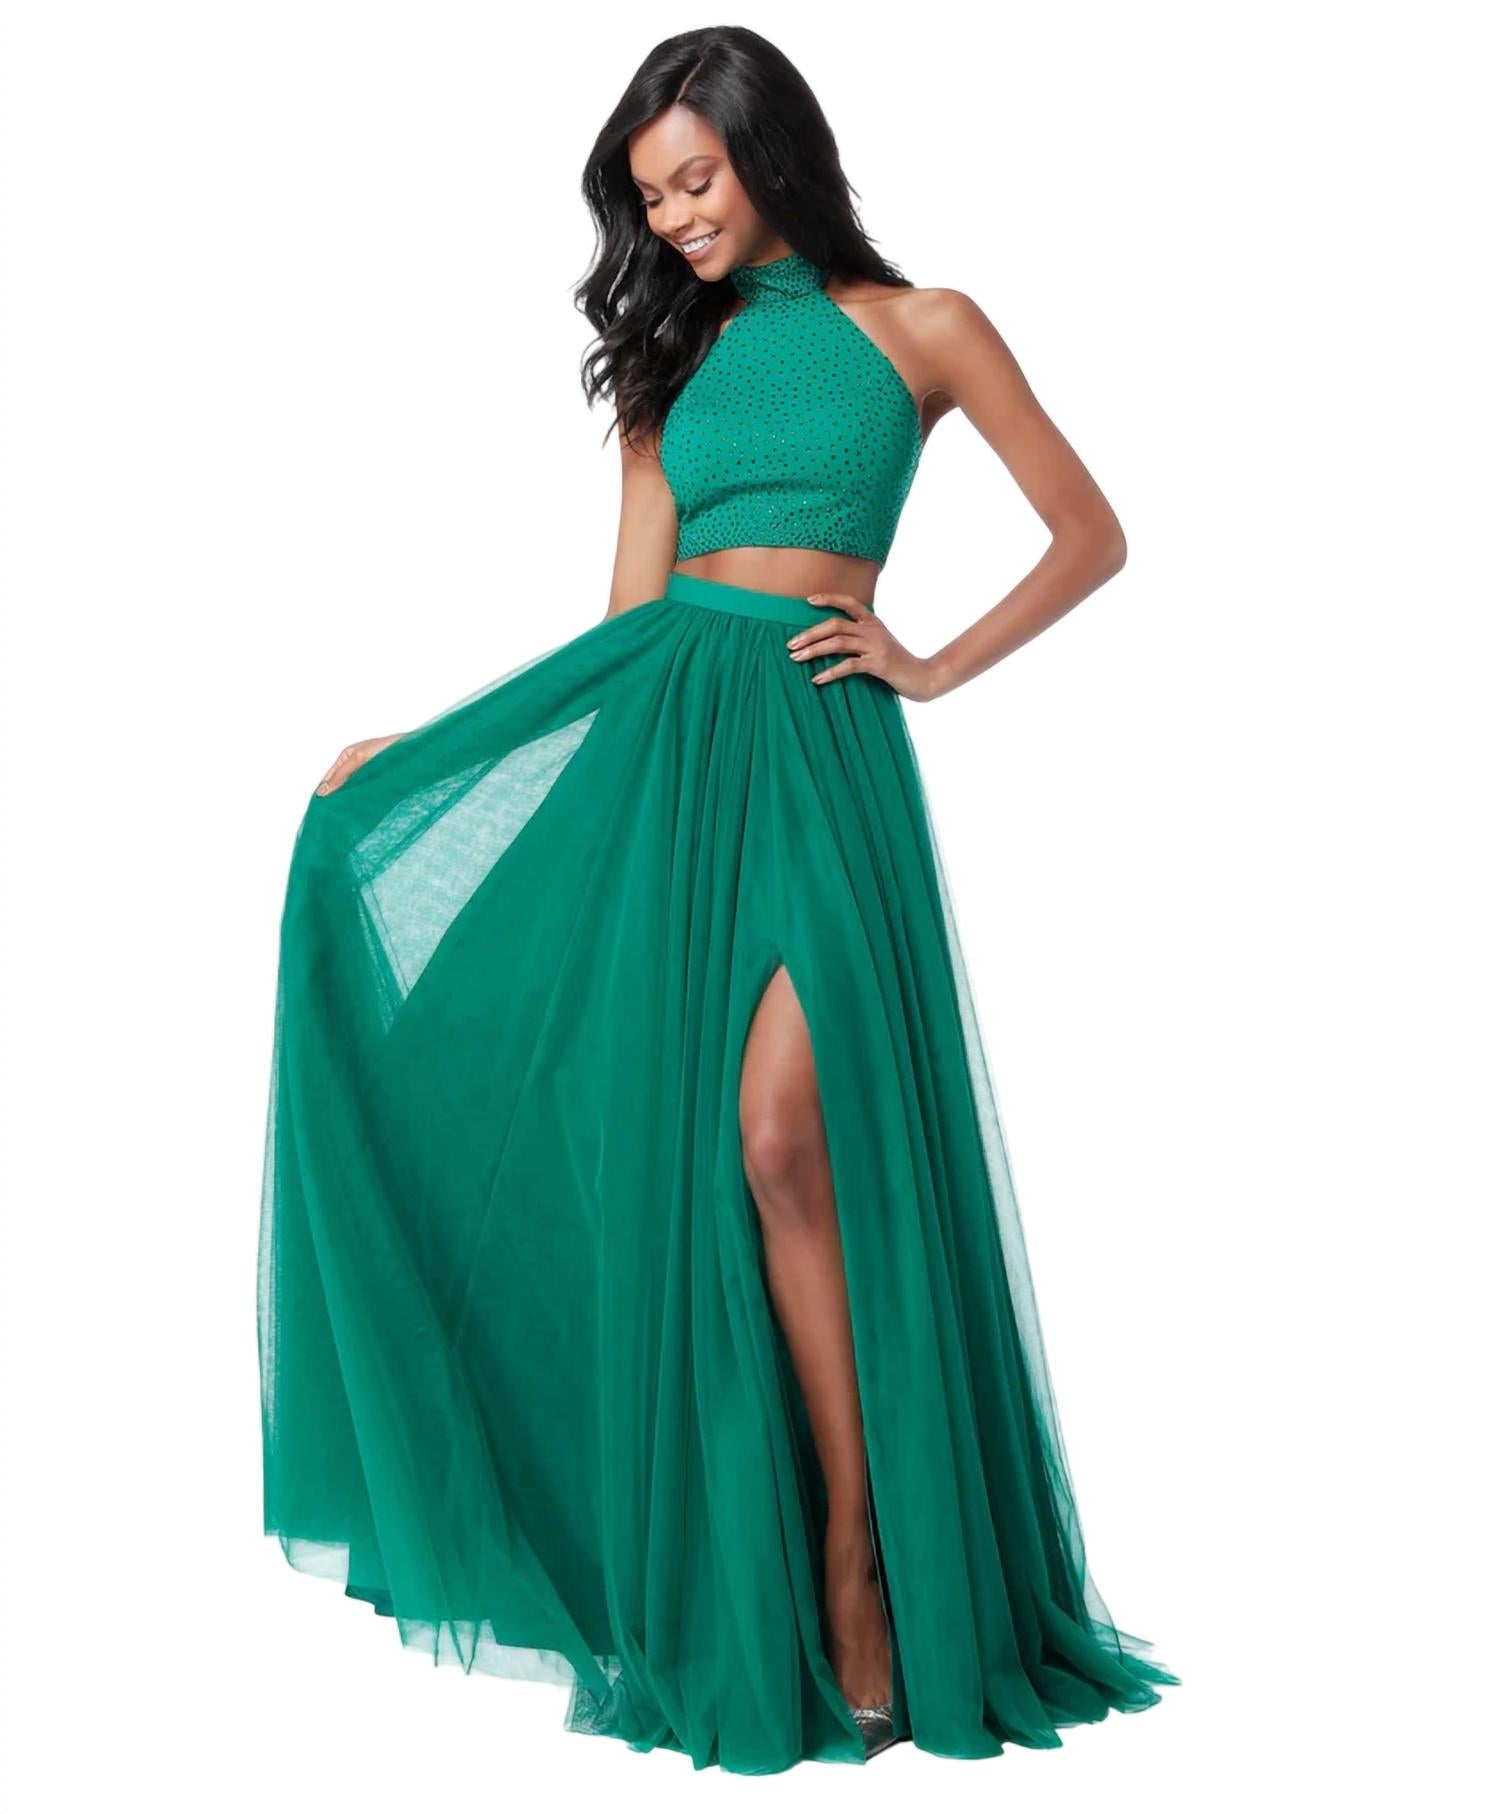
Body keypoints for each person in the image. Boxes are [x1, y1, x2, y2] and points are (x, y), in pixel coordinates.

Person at [256, 23, 1179, 1775]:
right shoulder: (664, 375)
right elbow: (621, 635)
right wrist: (429, 750)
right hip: (671, 760)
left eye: (697, 179)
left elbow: (1091, 533)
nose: (675, 217)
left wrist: (931, 661)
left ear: (774, 152)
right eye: (650, 195)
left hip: (821, 749)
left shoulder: (925, 328)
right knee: (707, 1161)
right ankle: (779, 1552)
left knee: (782, 1134)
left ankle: (862, 1543)